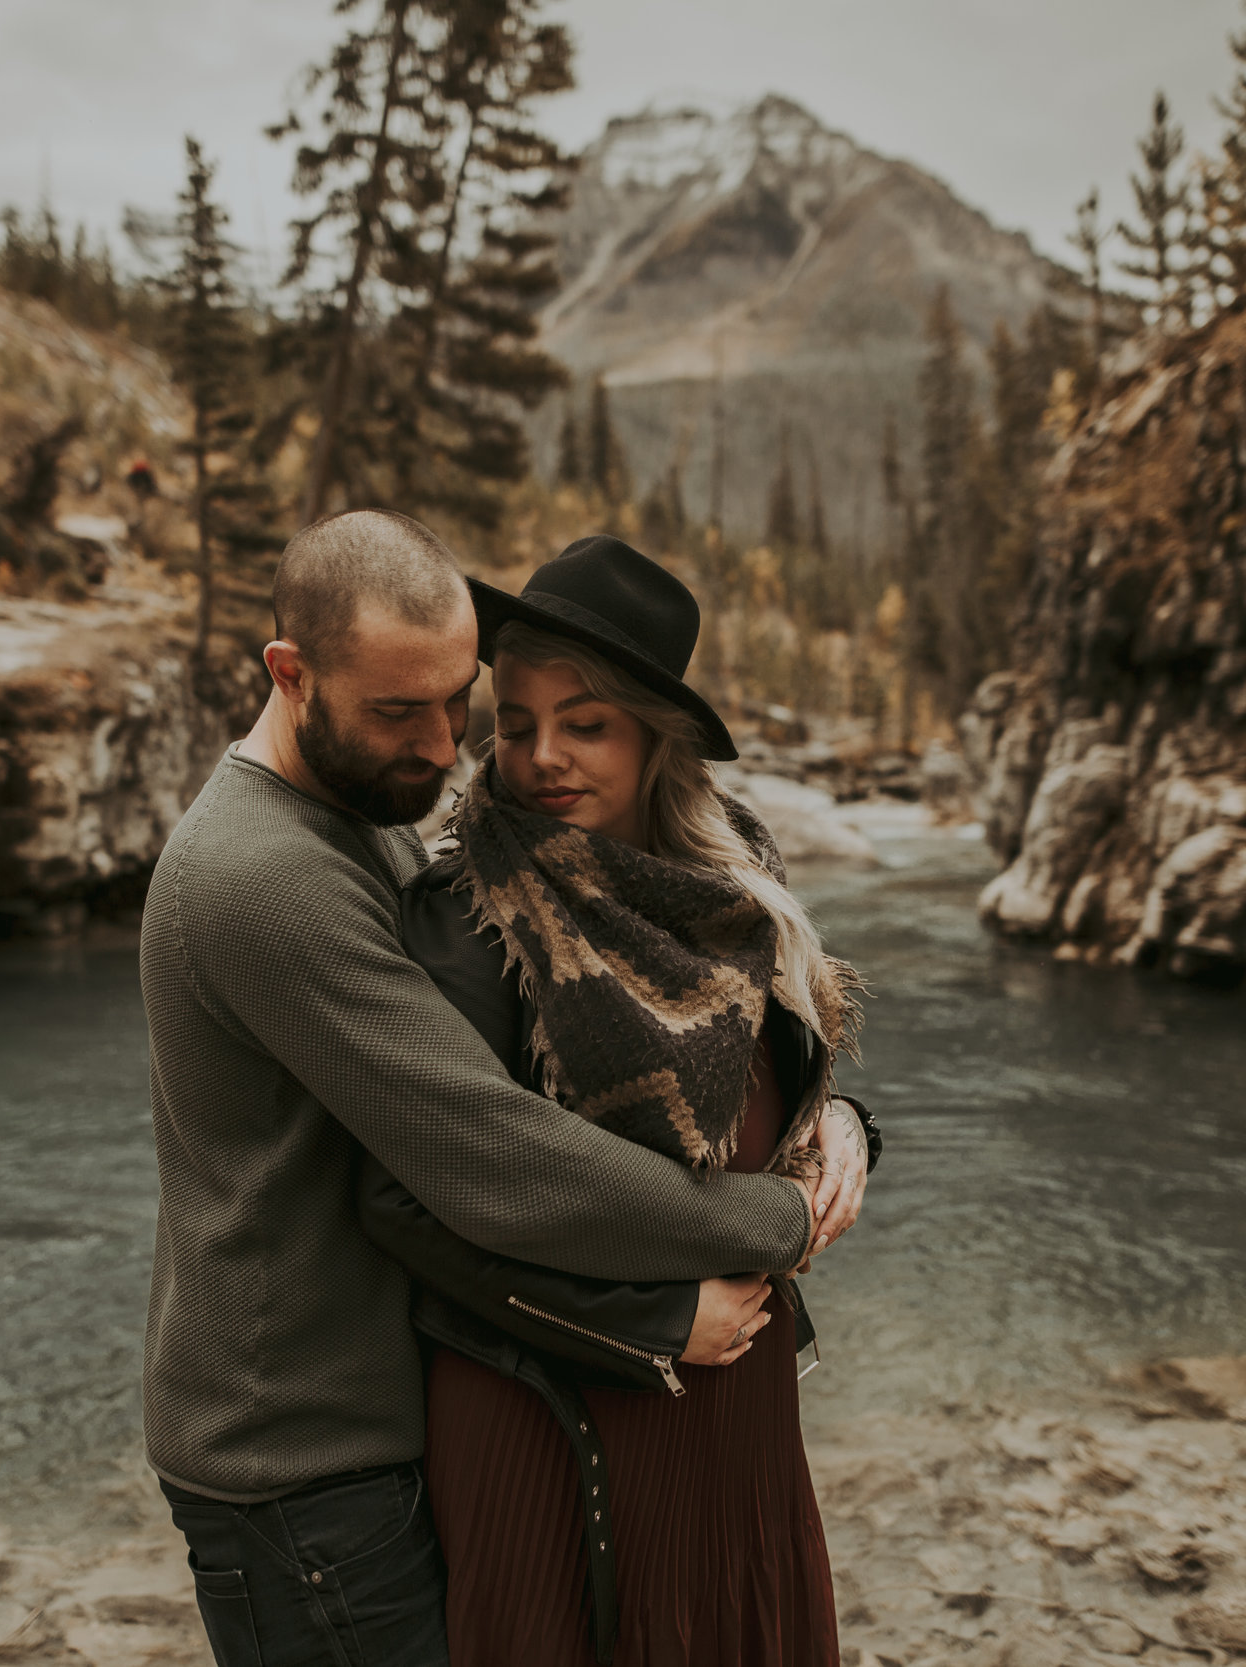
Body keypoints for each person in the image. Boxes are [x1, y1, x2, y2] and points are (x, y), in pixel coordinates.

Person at [138, 510, 832, 1667]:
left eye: (456, 703)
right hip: (300, 1461)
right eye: (397, 712)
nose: (440, 747)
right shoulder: (265, 876)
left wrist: (842, 1127)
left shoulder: (364, 818)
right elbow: (489, 1152)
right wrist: (780, 1220)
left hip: (360, 1430)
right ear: (289, 674)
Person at [358, 535, 875, 1666]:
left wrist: (844, 1126)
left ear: (656, 736)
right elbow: (405, 1201)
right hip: (553, 1402)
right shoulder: (466, 909)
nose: (539, 757)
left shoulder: (736, 874)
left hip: (734, 1403)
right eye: (518, 719)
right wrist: (651, 1325)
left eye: (583, 723)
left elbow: (780, 1073)